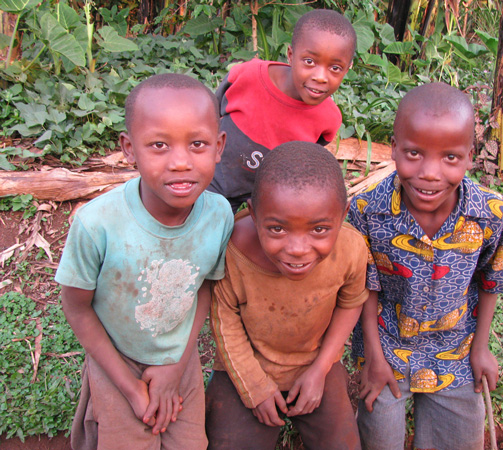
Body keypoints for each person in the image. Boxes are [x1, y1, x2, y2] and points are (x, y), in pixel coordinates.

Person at [55, 73, 233, 450]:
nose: (180, 162)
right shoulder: (97, 224)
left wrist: (176, 366)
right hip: (115, 360)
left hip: (180, 360)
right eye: (159, 145)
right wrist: (131, 389)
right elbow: (77, 308)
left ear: (219, 146)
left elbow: (204, 287)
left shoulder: (219, 215)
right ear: (129, 148)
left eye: (197, 144)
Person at [348, 82, 503, 450]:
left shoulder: (489, 214)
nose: (430, 173)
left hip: (457, 351)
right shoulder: (366, 211)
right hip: (387, 350)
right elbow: (364, 287)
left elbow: (491, 280)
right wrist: (373, 356)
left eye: (450, 157)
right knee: (379, 439)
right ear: (393, 147)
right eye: (414, 153)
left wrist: (481, 348)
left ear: (470, 156)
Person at [206, 142, 368, 450]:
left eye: (319, 229)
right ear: (254, 215)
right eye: (278, 229)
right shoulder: (232, 251)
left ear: (343, 215)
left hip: (315, 361)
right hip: (245, 364)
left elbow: (351, 304)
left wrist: (320, 369)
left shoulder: (351, 249)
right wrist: (254, 387)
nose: (297, 249)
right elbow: (224, 322)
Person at [208, 9, 356, 212]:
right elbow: (211, 114)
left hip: (266, 201)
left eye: (335, 68)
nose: (321, 77)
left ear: (347, 68)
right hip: (213, 178)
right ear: (291, 55)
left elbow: (305, 156)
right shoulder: (248, 76)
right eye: (309, 61)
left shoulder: (328, 118)